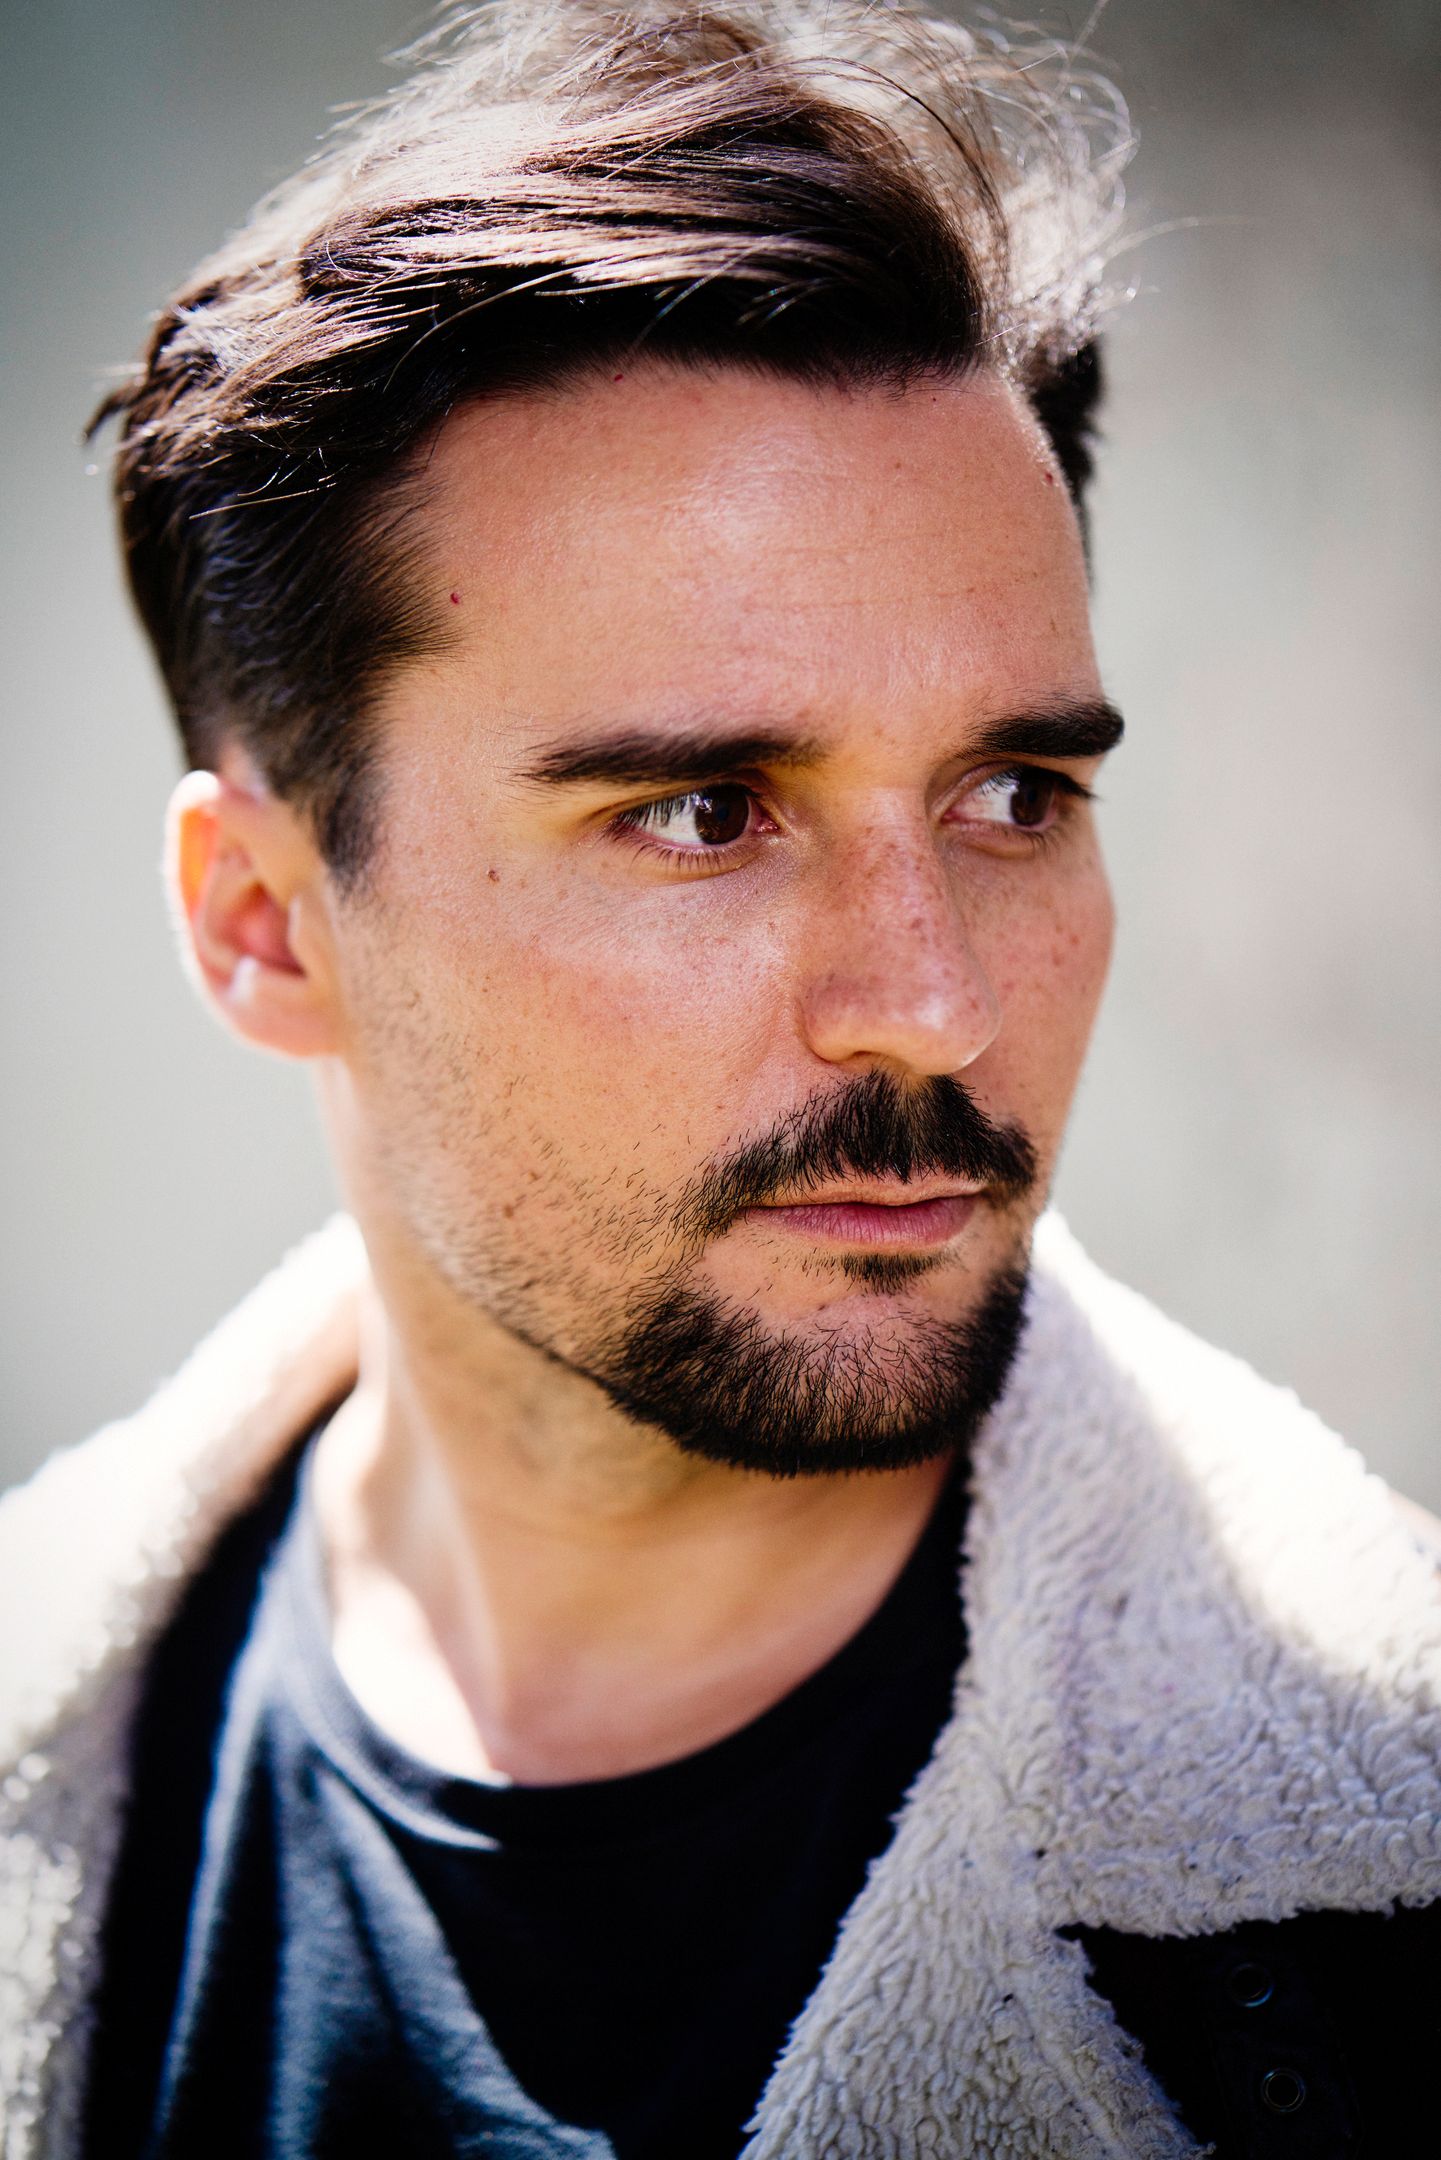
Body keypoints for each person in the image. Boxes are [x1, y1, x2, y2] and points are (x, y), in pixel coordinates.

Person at [2, 2, 1438, 2154]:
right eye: (701, 814)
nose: (931, 1003)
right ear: (266, 924)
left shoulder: (1388, 1864)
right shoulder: (44, 1747)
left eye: (1014, 794)